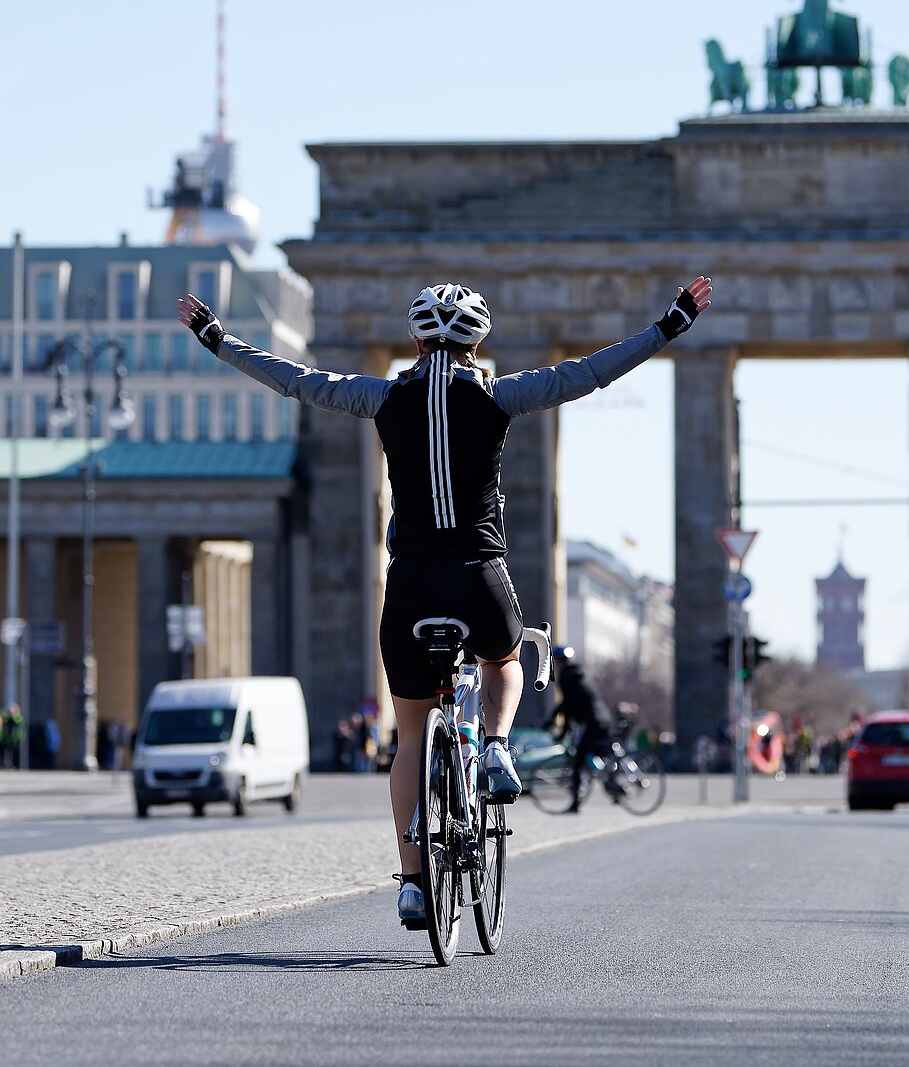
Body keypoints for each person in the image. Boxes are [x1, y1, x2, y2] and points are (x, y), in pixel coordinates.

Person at [178, 273, 713, 928]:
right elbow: (588, 373)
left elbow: (296, 379)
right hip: (477, 573)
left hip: (409, 584)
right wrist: (668, 327)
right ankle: (494, 746)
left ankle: (410, 883)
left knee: (408, 738)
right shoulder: (500, 396)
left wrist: (218, 340)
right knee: (505, 659)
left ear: (413, 339)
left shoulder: (378, 397)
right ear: (479, 343)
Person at [543, 645, 611, 813]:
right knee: (598, 755)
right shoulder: (581, 674)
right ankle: (613, 785)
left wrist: (560, 730)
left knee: (578, 763)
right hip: (602, 719)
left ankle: (575, 805)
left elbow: (568, 706)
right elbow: (570, 705)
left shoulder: (567, 677)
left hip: (591, 722)